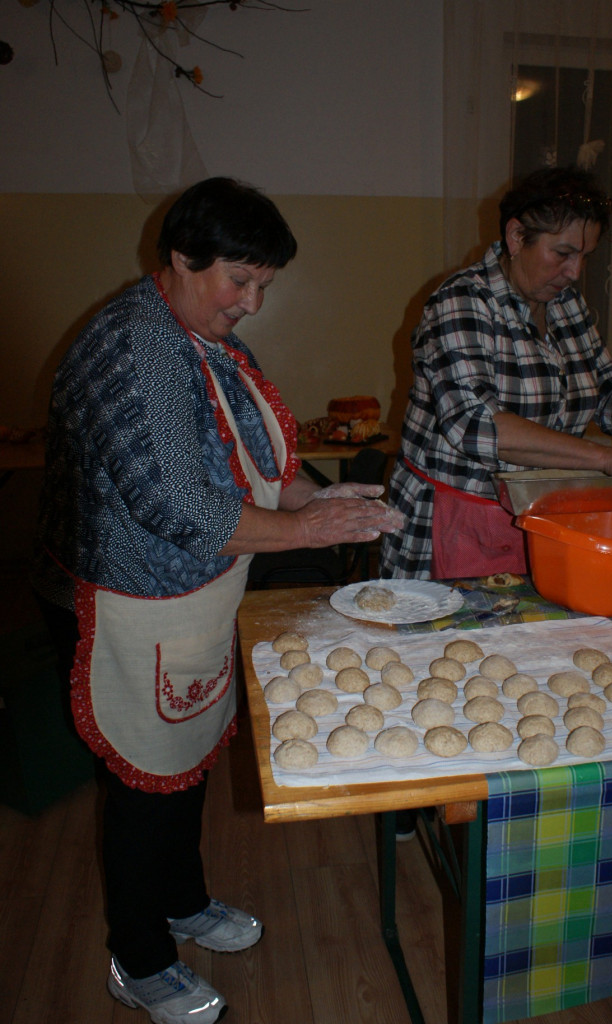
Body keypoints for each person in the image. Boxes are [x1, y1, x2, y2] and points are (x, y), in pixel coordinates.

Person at [31, 176, 403, 1024]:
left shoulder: (205, 339)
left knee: (185, 756)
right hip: (118, 599)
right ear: (179, 260)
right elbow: (180, 506)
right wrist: (310, 533)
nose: (252, 302)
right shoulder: (138, 349)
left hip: (183, 597)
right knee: (141, 781)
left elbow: (261, 464)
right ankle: (140, 957)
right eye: (239, 279)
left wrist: (327, 500)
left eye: (264, 284)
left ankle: (182, 900)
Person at [379, 165, 612, 582]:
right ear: (515, 237)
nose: (575, 272)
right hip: (456, 522)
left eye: (584, 256)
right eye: (562, 253)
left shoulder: (566, 306)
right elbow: (478, 426)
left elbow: (609, 384)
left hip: (538, 516)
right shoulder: (462, 302)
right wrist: (606, 458)